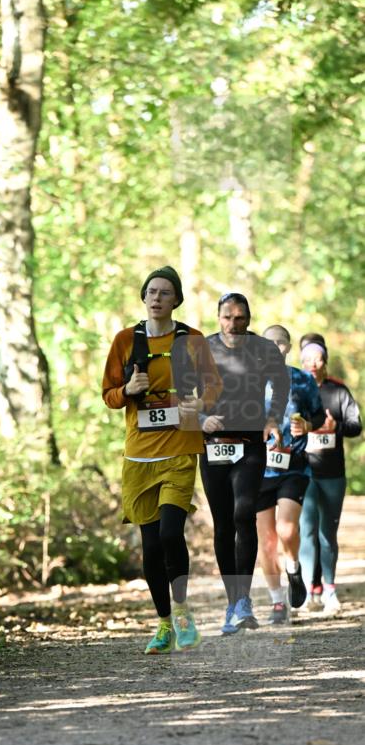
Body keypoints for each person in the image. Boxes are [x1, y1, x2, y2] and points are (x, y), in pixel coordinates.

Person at [102, 265, 222, 654]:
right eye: (151, 292)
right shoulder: (124, 340)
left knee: (172, 533)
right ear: (143, 297)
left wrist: (200, 403)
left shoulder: (193, 340)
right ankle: (163, 624)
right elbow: (107, 394)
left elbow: (214, 386)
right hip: (139, 456)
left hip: (181, 449)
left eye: (164, 293)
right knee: (151, 547)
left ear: (176, 300)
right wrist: (127, 389)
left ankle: (184, 613)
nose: (156, 298)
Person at [200, 294, 289, 634]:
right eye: (227, 317)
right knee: (223, 524)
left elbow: (280, 385)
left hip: (250, 444)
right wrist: (203, 419)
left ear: (249, 318)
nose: (233, 324)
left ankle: (244, 602)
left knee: (243, 513)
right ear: (218, 317)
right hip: (213, 446)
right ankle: (232, 601)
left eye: (240, 318)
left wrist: (272, 420)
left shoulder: (265, 349)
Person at [256, 325, 325, 624]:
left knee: (286, 531)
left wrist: (307, 427)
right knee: (266, 542)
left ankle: (294, 568)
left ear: (287, 348)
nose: (274, 347)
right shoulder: (250, 381)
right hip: (258, 469)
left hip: (293, 466)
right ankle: (276, 603)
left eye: (280, 343)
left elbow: (319, 415)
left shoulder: (301, 380)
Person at [298, 338, 362, 614]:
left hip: (333, 474)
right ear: (301, 363)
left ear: (325, 361)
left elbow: (355, 426)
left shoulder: (338, 392)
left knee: (327, 534)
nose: (313, 364)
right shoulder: (296, 390)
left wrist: (336, 427)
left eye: (318, 359)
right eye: (307, 359)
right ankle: (307, 592)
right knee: (306, 531)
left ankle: (330, 591)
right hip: (303, 470)